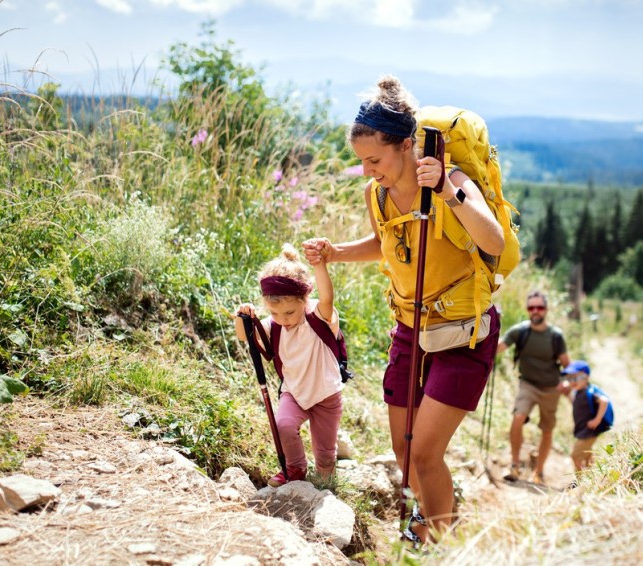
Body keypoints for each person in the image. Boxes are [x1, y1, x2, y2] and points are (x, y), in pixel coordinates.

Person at [303, 75, 504, 546]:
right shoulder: (378, 193)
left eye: (375, 159)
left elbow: (492, 239)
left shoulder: (451, 181)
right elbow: (385, 243)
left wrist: (451, 195)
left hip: (463, 332)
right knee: (405, 449)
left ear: (407, 145)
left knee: (427, 452)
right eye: (362, 162)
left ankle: (440, 544)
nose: (369, 170)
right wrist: (335, 252)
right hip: (410, 329)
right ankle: (431, 525)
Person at [235, 242, 343, 488]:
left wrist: (320, 264)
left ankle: (326, 482)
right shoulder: (274, 326)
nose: (283, 320)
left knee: (325, 452)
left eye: (290, 313)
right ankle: (295, 469)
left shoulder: (318, 316)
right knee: (283, 424)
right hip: (294, 391)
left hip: (326, 395)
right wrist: (242, 316)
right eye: (274, 314)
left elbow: (327, 296)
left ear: (305, 299)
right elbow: (244, 336)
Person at [496, 290, 570, 484]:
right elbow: (499, 347)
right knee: (518, 417)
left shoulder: (556, 336)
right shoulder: (519, 331)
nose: (535, 311)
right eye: (531, 307)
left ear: (546, 310)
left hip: (551, 388)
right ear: (527, 310)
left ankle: (539, 471)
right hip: (527, 384)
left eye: (539, 307)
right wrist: (491, 327)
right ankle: (515, 466)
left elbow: (567, 364)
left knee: (547, 430)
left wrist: (569, 383)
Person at [558, 360, 612, 473]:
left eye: (575, 378)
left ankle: (581, 479)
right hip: (583, 429)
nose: (572, 382)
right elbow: (577, 406)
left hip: (590, 430)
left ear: (586, 377)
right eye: (569, 379)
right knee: (587, 455)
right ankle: (593, 475)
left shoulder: (590, 392)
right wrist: (567, 395)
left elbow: (604, 401)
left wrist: (597, 420)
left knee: (575, 455)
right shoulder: (578, 393)